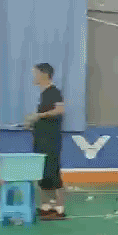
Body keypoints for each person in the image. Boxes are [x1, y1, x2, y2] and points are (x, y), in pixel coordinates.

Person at [26, 63, 67, 220]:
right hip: (40, 139)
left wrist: (39, 116)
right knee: (41, 172)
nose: (34, 77)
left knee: (53, 172)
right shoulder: (43, 94)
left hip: (51, 140)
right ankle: (46, 207)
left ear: (43, 74)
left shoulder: (54, 92)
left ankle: (60, 208)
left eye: (35, 73)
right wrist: (32, 122)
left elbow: (60, 110)